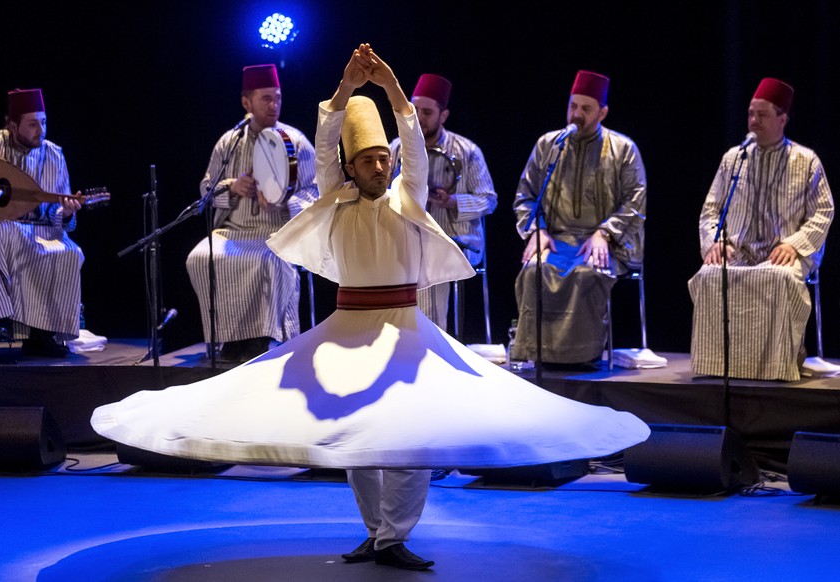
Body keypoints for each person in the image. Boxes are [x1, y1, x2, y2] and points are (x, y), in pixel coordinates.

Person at [90, 45, 649, 572]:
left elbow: (410, 137)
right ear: (351, 167)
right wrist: (344, 90)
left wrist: (389, 87)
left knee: (408, 438)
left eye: (386, 159)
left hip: (403, 329)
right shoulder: (335, 200)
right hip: (347, 330)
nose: (381, 167)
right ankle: (375, 530)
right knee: (356, 436)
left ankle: (395, 535)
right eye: (371, 161)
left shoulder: (408, 197)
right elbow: (327, 137)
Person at [688, 78, 834, 382]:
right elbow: (711, 210)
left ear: (782, 120)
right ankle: (717, 367)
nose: (753, 121)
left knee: (778, 278)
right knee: (709, 275)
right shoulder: (734, 159)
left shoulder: (806, 160)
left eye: (762, 115)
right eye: (751, 114)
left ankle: (776, 368)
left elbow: (824, 211)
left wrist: (794, 244)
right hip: (739, 251)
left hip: (786, 254)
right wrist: (716, 241)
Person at [511, 70, 647, 368]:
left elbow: (635, 203)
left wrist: (605, 234)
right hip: (557, 239)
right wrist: (537, 231)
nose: (576, 114)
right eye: (573, 106)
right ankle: (538, 354)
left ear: (603, 112)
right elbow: (525, 195)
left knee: (586, 274)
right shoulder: (549, 145)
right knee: (534, 271)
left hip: (606, 242)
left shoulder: (623, 149)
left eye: (586, 109)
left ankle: (582, 357)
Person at [186, 64, 318, 363]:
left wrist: (284, 198)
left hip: (276, 231)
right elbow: (207, 189)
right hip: (234, 229)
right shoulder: (229, 143)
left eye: (277, 98)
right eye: (266, 99)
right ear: (247, 102)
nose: (274, 105)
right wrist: (232, 187)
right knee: (200, 257)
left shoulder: (295, 142)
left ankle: (262, 340)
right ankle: (230, 339)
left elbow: (316, 192)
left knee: (268, 260)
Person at [0, 88, 84, 357]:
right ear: (11, 125)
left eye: (43, 123)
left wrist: (66, 213)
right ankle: (1, 321)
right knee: (5, 230)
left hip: (40, 230)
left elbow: (59, 214)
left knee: (71, 252)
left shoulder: (54, 155)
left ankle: (44, 334)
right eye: (32, 124)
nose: (40, 130)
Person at [388, 73, 497, 332]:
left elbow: (489, 201)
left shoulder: (466, 151)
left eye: (427, 113)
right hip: (408, 239)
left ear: (443, 116)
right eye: (414, 111)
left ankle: (429, 342)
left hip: (457, 239)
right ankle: (395, 341)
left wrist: (453, 202)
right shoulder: (396, 148)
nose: (418, 118)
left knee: (428, 258)